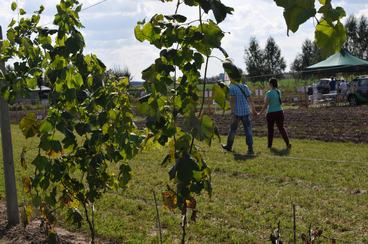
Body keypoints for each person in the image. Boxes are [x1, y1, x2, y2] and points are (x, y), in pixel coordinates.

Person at [222, 78, 257, 156]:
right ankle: (250, 149)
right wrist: (254, 110)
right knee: (248, 130)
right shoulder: (245, 86)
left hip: (237, 113)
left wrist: (232, 112)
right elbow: (251, 100)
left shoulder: (232, 87)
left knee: (233, 129)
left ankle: (229, 146)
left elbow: (232, 100)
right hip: (246, 112)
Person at [257, 78, 291, 149]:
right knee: (281, 128)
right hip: (280, 112)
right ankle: (288, 143)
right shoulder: (278, 92)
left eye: (269, 83)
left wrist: (260, 113)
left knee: (270, 130)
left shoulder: (268, 93)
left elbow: (266, 105)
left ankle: (269, 146)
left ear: (271, 84)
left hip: (271, 113)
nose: (268, 85)